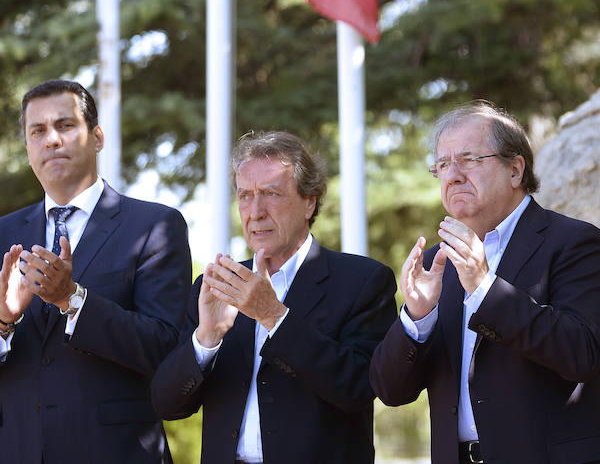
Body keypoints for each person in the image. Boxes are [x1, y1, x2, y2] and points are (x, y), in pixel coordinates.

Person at [370, 100, 600, 464]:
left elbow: (584, 354)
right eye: (443, 165)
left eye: (469, 159)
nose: (453, 175)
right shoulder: (436, 262)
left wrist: (484, 288)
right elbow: (390, 390)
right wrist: (417, 318)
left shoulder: (575, 242)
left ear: (515, 170)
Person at [151, 130, 397, 464]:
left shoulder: (364, 281)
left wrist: (273, 316)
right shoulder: (215, 286)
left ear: (309, 201)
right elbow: (168, 404)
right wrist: (206, 339)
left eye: (271, 193)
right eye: (245, 196)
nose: (256, 211)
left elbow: (358, 388)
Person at [0, 79, 192, 464]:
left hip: (117, 452)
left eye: (65, 125)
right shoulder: (3, 234)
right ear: (27, 148)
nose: (52, 139)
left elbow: (167, 350)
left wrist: (72, 300)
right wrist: (4, 321)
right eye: (38, 131)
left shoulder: (155, 226)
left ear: (98, 137)